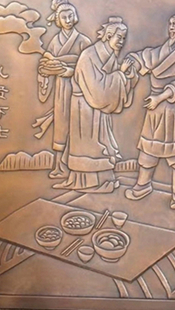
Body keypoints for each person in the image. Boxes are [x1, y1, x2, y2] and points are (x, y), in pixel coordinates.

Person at [124, 8, 175, 210]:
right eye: (170, 24)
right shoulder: (165, 48)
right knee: (148, 151)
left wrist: (160, 98)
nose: (171, 27)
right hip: (155, 108)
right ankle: (143, 186)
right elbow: (149, 56)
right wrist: (133, 60)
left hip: (174, 110)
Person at [53, 17, 138, 194]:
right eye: (119, 37)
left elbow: (111, 83)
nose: (122, 42)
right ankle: (86, 183)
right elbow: (97, 88)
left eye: (124, 38)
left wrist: (128, 76)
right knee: (88, 145)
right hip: (84, 108)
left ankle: (104, 180)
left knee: (100, 144)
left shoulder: (109, 55)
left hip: (98, 110)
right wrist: (121, 74)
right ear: (108, 36)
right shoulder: (89, 56)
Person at [33, 0, 91, 179]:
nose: (67, 20)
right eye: (63, 17)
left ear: (75, 17)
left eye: (70, 16)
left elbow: (90, 68)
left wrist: (70, 71)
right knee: (61, 124)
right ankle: (59, 165)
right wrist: (44, 72)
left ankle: (78, 165)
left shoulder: (83, 41)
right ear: (58, 20)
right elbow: (45, 62)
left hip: (79, 90)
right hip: (61, 89)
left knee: (78, 125)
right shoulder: (55, 41)